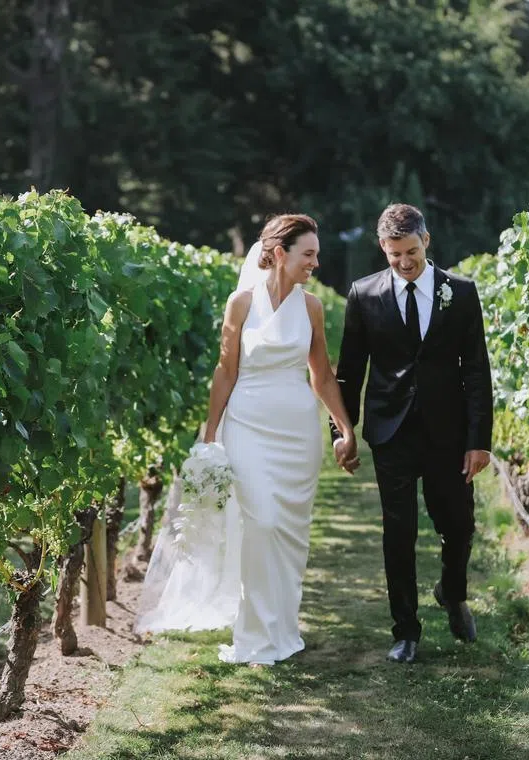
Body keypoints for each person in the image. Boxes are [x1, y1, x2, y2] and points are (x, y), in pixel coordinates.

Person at [135, 214, 357, 667]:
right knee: (262, 524)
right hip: (248, 427)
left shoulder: (311, 307)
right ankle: (254, 636)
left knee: (289, 536)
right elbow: (225, 371)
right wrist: (211, 432)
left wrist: (345, 428)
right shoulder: (240, 304)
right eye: (308, 254)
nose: (315, 262)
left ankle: (282, 629)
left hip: (297, 433)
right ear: (280, 253)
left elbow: (322, 375)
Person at [331, 203, 493, 664]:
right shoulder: (363, 295)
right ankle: (405, 630)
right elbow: (349, 372)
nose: (404, 262)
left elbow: (477, 370)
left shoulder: (460, 292)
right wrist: (342, 430)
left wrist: (479, 439)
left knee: (458, 526)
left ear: (427, 241)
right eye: (395, 253)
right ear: (383, 247)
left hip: (449, 431)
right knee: (397, 532)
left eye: (412, 252)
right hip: (391, 430)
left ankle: (453, 592)